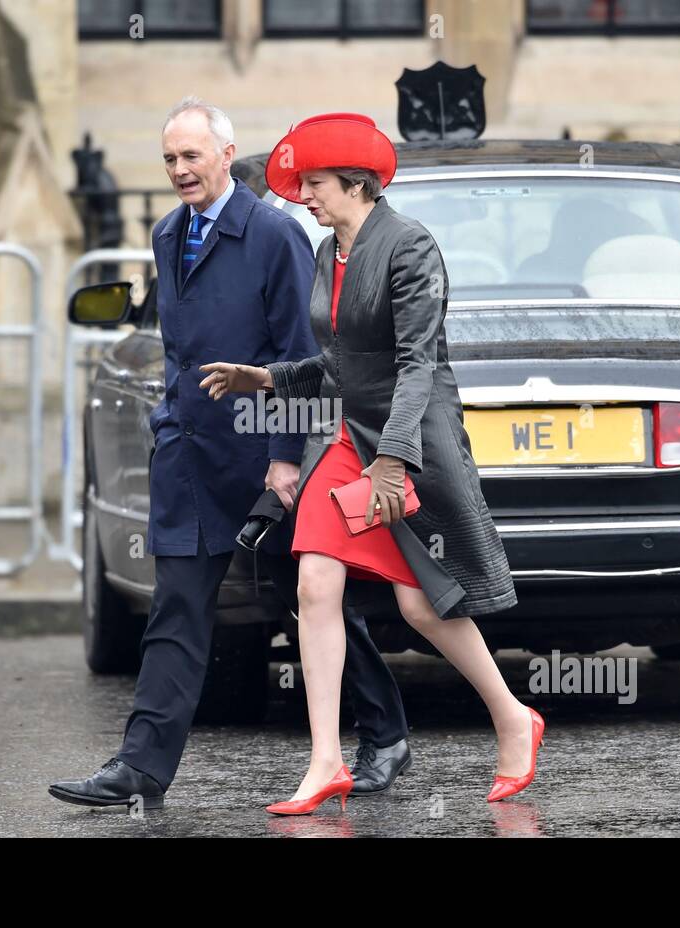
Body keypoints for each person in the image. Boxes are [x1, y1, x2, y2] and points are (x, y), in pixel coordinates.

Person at [49, 98, 413, 809]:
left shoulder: (275, 234)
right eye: (170, 159)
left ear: (225, 155)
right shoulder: (166, 233)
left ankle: (386, 732)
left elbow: (301, 352)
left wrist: (286, 458)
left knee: (309, 602)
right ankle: (140, 767)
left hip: (267, 461)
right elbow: (178, 350)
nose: (180, 169)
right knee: (177, 610)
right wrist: (168, 423)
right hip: (190, 457)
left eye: (192, 156)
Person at [198, 113, 543, 816]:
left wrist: (391, 460)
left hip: (409, 440)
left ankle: (513, 717)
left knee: (421, 604)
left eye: (316, 184)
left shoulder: (410, 246)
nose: (304, 197)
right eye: (302, 186)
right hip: (345, 436)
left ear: (355, 182)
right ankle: (326, 757)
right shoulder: (330, 250)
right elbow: (337, 365)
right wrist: (265, 378)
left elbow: (418, 367)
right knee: (315, 581)